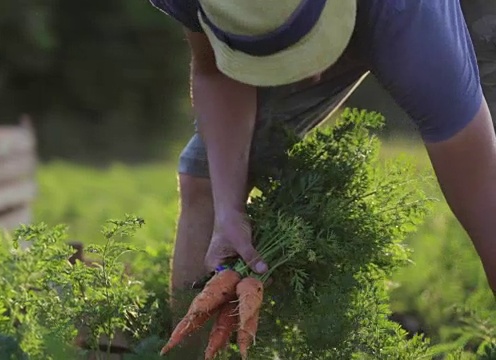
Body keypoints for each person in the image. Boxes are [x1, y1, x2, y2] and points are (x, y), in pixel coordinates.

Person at [148, 0, 496, 349]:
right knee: (203, 176)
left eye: (302, 55)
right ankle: (187, 355)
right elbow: (213, 71)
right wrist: (228, 212)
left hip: (383, 15)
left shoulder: (407, 14)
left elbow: (483, 190)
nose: (308, 76)